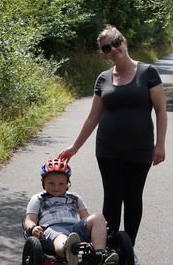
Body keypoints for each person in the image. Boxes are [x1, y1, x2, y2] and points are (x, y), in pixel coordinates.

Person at [58, 24, 167, 262]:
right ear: (104, 53)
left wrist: (160, 145)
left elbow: (160, 111)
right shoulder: (103, 78)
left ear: (124, 41)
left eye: (116, 43)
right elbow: (92, 117)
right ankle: (109, 250)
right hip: (107, 150)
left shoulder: (148, 72)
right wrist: (74, 147)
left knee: (133, 197)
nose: (113, 49)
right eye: (106, 48)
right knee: (112, 198)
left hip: (140, 149)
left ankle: (128, 250)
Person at [23, 158, 119, 265]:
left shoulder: (75, 198)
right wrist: (33, 228)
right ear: (43, 182)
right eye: (51, 183)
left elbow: (85, 217)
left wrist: (99, 224)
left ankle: (100, 255)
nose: (56, 187)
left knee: (98, 217)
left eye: (61, 184)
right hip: (52, 228)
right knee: (61, 237)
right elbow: (29, 219)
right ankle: (67, 250)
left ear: (67, 183)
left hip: (76, 228)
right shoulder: (38, 198)